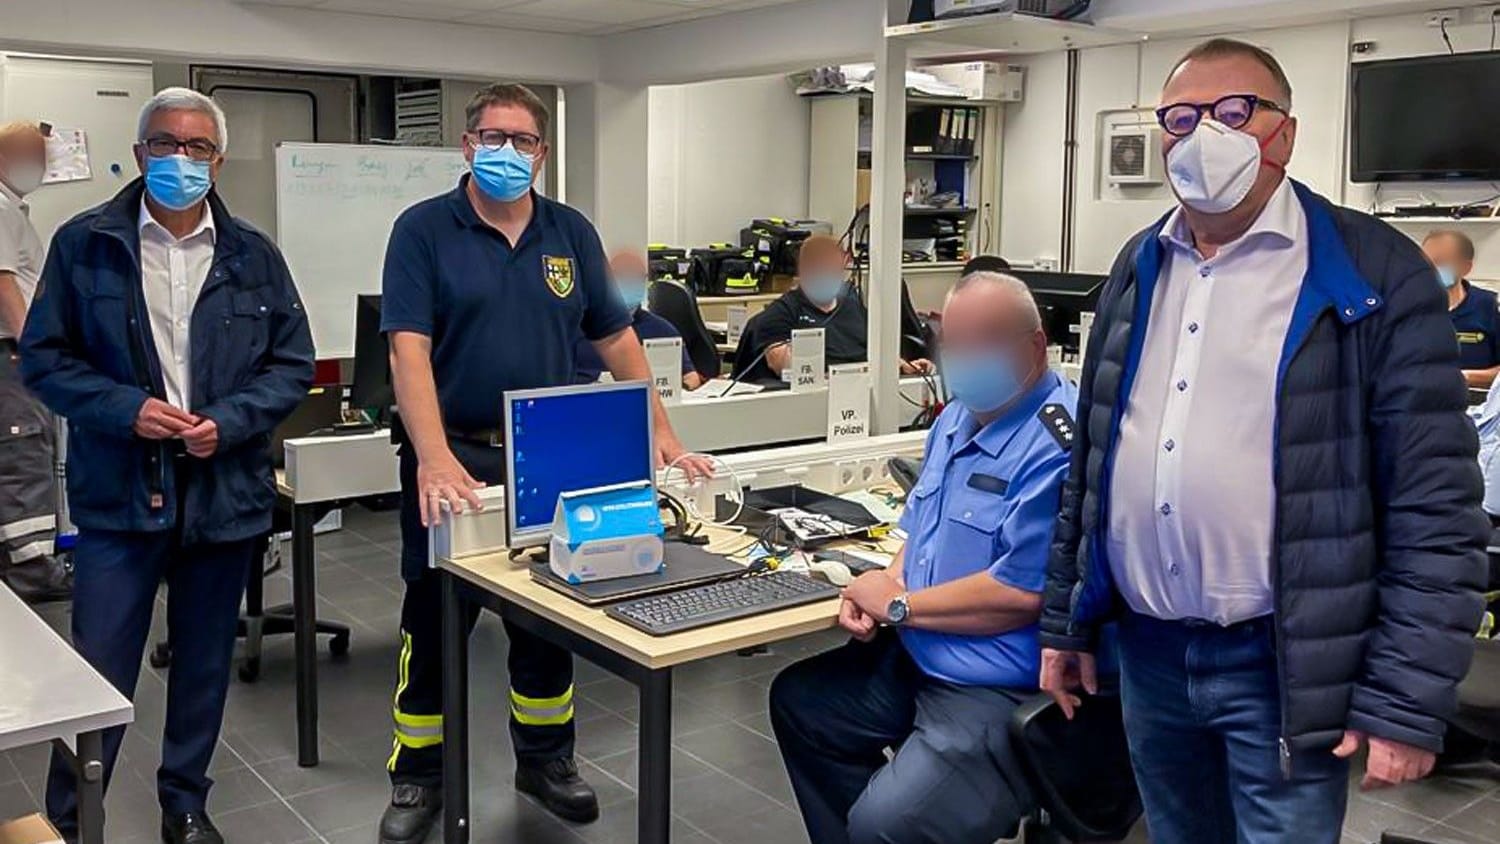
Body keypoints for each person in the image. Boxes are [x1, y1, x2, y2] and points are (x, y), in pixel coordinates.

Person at [1037, 38, 1487, 844]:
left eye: (1234, 111)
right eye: (1182, 117)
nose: (1205, 133)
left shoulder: (1372, 270)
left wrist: (1408, 700)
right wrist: (1069, 622)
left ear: (1285, 132)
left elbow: (1436, 506)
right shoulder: (1140, 265)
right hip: (1149, 655)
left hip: (1283, 664)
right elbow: (1094, 465)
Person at [377, 83, 710, 844]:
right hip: (453, 453)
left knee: (549, 614)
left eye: (522, 141)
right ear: (467, 146)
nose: (506, 153)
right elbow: (408, 350)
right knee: (432, 621)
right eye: (492, 138)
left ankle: (546, 760)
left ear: (542, 152)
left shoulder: (568, 232)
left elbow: (615, 338)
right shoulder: (425, 230)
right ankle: (418, 774)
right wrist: (431, 458)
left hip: (548, 455)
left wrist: (662, 431)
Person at [20, 87, 314, 844]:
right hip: (121, 496)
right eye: (164, 144)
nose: (180, 161)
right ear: (141, 148)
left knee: (204, 664)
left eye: (196, 148)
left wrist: (231, 421)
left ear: (217, 160)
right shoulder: (85, 243)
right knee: (98, 672)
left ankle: (184, 803)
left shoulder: (253, 255)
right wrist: (126, 410)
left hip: (224, 493)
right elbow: (46, 361)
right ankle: (68, 819)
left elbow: (291, 365)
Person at [770, 270, 1076, 844]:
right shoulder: (958, 417)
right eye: (952, 344)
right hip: (919, 655)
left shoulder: (1057, 444)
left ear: (1034, 346)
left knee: (885, 824)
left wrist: (901, 605)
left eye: (982, 343)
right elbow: (920, 530)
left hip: (996, 684)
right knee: (802, 705)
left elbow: (1020, 594)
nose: (963, 359)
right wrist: (883, 583)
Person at [0, 119, 71, 603]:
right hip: (12, 356)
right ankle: (32, 575)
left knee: (28, 456)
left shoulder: (13, 209)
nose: (37, 166)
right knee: (24, 458)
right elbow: (3, 281)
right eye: (28, 155)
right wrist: (34, 349)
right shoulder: (0, 209)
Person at [740, 234, 932, 381]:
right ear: (804, 269)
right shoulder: (781, 313)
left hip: (863, 391)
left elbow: (870, 350)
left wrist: (904, 366)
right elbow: (782, 365)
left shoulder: (852, 302)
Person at [573, 248, 702, 389]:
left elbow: (691, 376)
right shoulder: (579, 328)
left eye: (637, 277)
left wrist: (675, 391)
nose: (630, 282)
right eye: (622, 276)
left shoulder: (663, 330)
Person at [1423, 230, 1500, 388]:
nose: (1431, 270)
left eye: (1440, 262)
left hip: (1476, 405)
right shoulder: (1408, 307)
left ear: (1465, 268)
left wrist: (1464, 377)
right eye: (1425, 263)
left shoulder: (1490, 307)